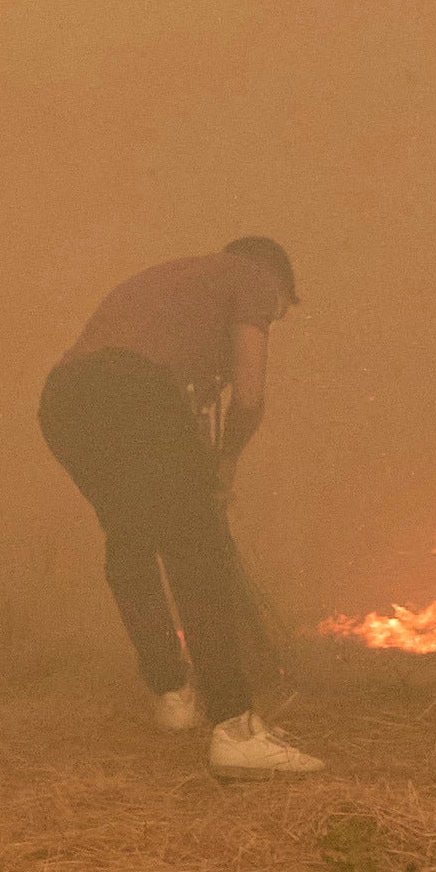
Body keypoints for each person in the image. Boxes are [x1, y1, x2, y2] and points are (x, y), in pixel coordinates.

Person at [37, 238, 323, 780]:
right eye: (280, 312)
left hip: (65, 402)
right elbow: (248, 396)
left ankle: (171, 691)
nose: (274, 318)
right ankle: (236, 728)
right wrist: (227, 460)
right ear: (275, 279)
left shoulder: (174, 283)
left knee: (132, 536)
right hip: (135, 393)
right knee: (197, 550)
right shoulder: (252, 277)